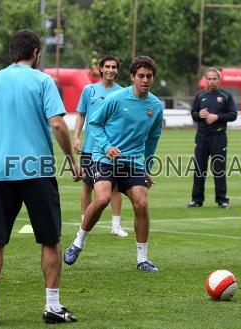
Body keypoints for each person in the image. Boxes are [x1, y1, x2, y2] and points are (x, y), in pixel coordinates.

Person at [0, 29, 82, 324]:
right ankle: (52, 305)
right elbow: (58, 125)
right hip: (38, 169)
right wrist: (72, 160)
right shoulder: (43, 80)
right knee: (49, 239)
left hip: (1, 171)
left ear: (12, 52)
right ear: (36, 53)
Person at [64, 55, 163, 272]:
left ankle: (142, 259)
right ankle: (78, 242)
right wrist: (107, 146)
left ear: (153, 78)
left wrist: (147, 167)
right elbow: (94, 123)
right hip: (104, 157)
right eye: (141, 76)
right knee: (102, 198)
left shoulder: (155, 106)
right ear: (132, 77)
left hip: (133, 161)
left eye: (149, 76)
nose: (145, 80)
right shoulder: (116, 98)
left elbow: (153, 139)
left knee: (142, 203)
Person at [73, 55, 127, 237]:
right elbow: (80, 114)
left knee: (116, 187)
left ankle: (116, 225)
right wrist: (76, 137)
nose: (110, 70)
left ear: (117, 70)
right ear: (101, 69)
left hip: (113, 148)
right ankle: (84, 222)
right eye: (107, 66)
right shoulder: (89, 90)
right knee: (87, 186)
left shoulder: (123, 92)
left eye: (114, 67)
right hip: (90, 147)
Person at [187, 67, 237, 209]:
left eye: (214, 79)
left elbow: (233, 115)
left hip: (219, 137)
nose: (212, 81)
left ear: (219, 80)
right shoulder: (200, 96)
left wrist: (217, 117)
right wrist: (199, 115)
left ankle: (222, 199)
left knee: (219, 169)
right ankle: (197, 199)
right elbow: (193, 113)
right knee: (199, 169)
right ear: (206, 80)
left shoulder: (226, 95)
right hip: (202, 137)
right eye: (209, 79)